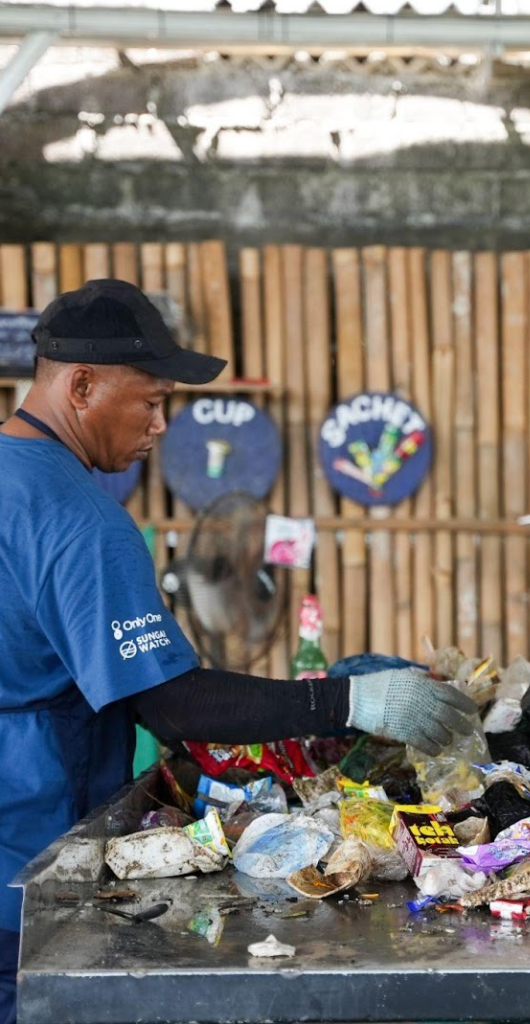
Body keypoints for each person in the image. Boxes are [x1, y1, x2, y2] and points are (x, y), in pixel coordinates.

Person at [0, 279, 477, 1024]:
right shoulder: (82, 519)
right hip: (25, 875)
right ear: (82, 385)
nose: (162, 425)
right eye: (151, 400)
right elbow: (170, 698)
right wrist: (349, 701)